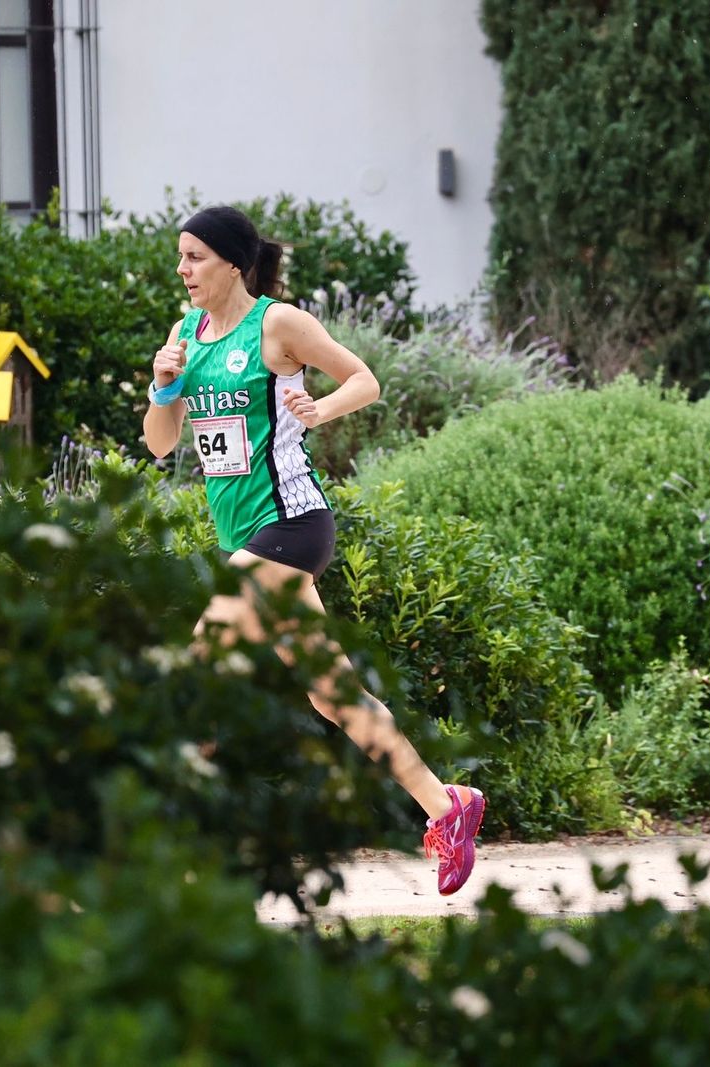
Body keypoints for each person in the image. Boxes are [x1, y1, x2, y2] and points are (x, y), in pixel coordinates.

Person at [141, 204, 485, 896]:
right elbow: (161, 442)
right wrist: (162, 382)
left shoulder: (278, 324)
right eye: (179, 258)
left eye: (194, 257)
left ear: (233, 262)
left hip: (293, 524)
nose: (182, 270)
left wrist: (320, 410)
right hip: (246, 538)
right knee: (334, 696)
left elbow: (365, 379)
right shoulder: (186, 334)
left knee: (203, 655)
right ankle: (448, 807)